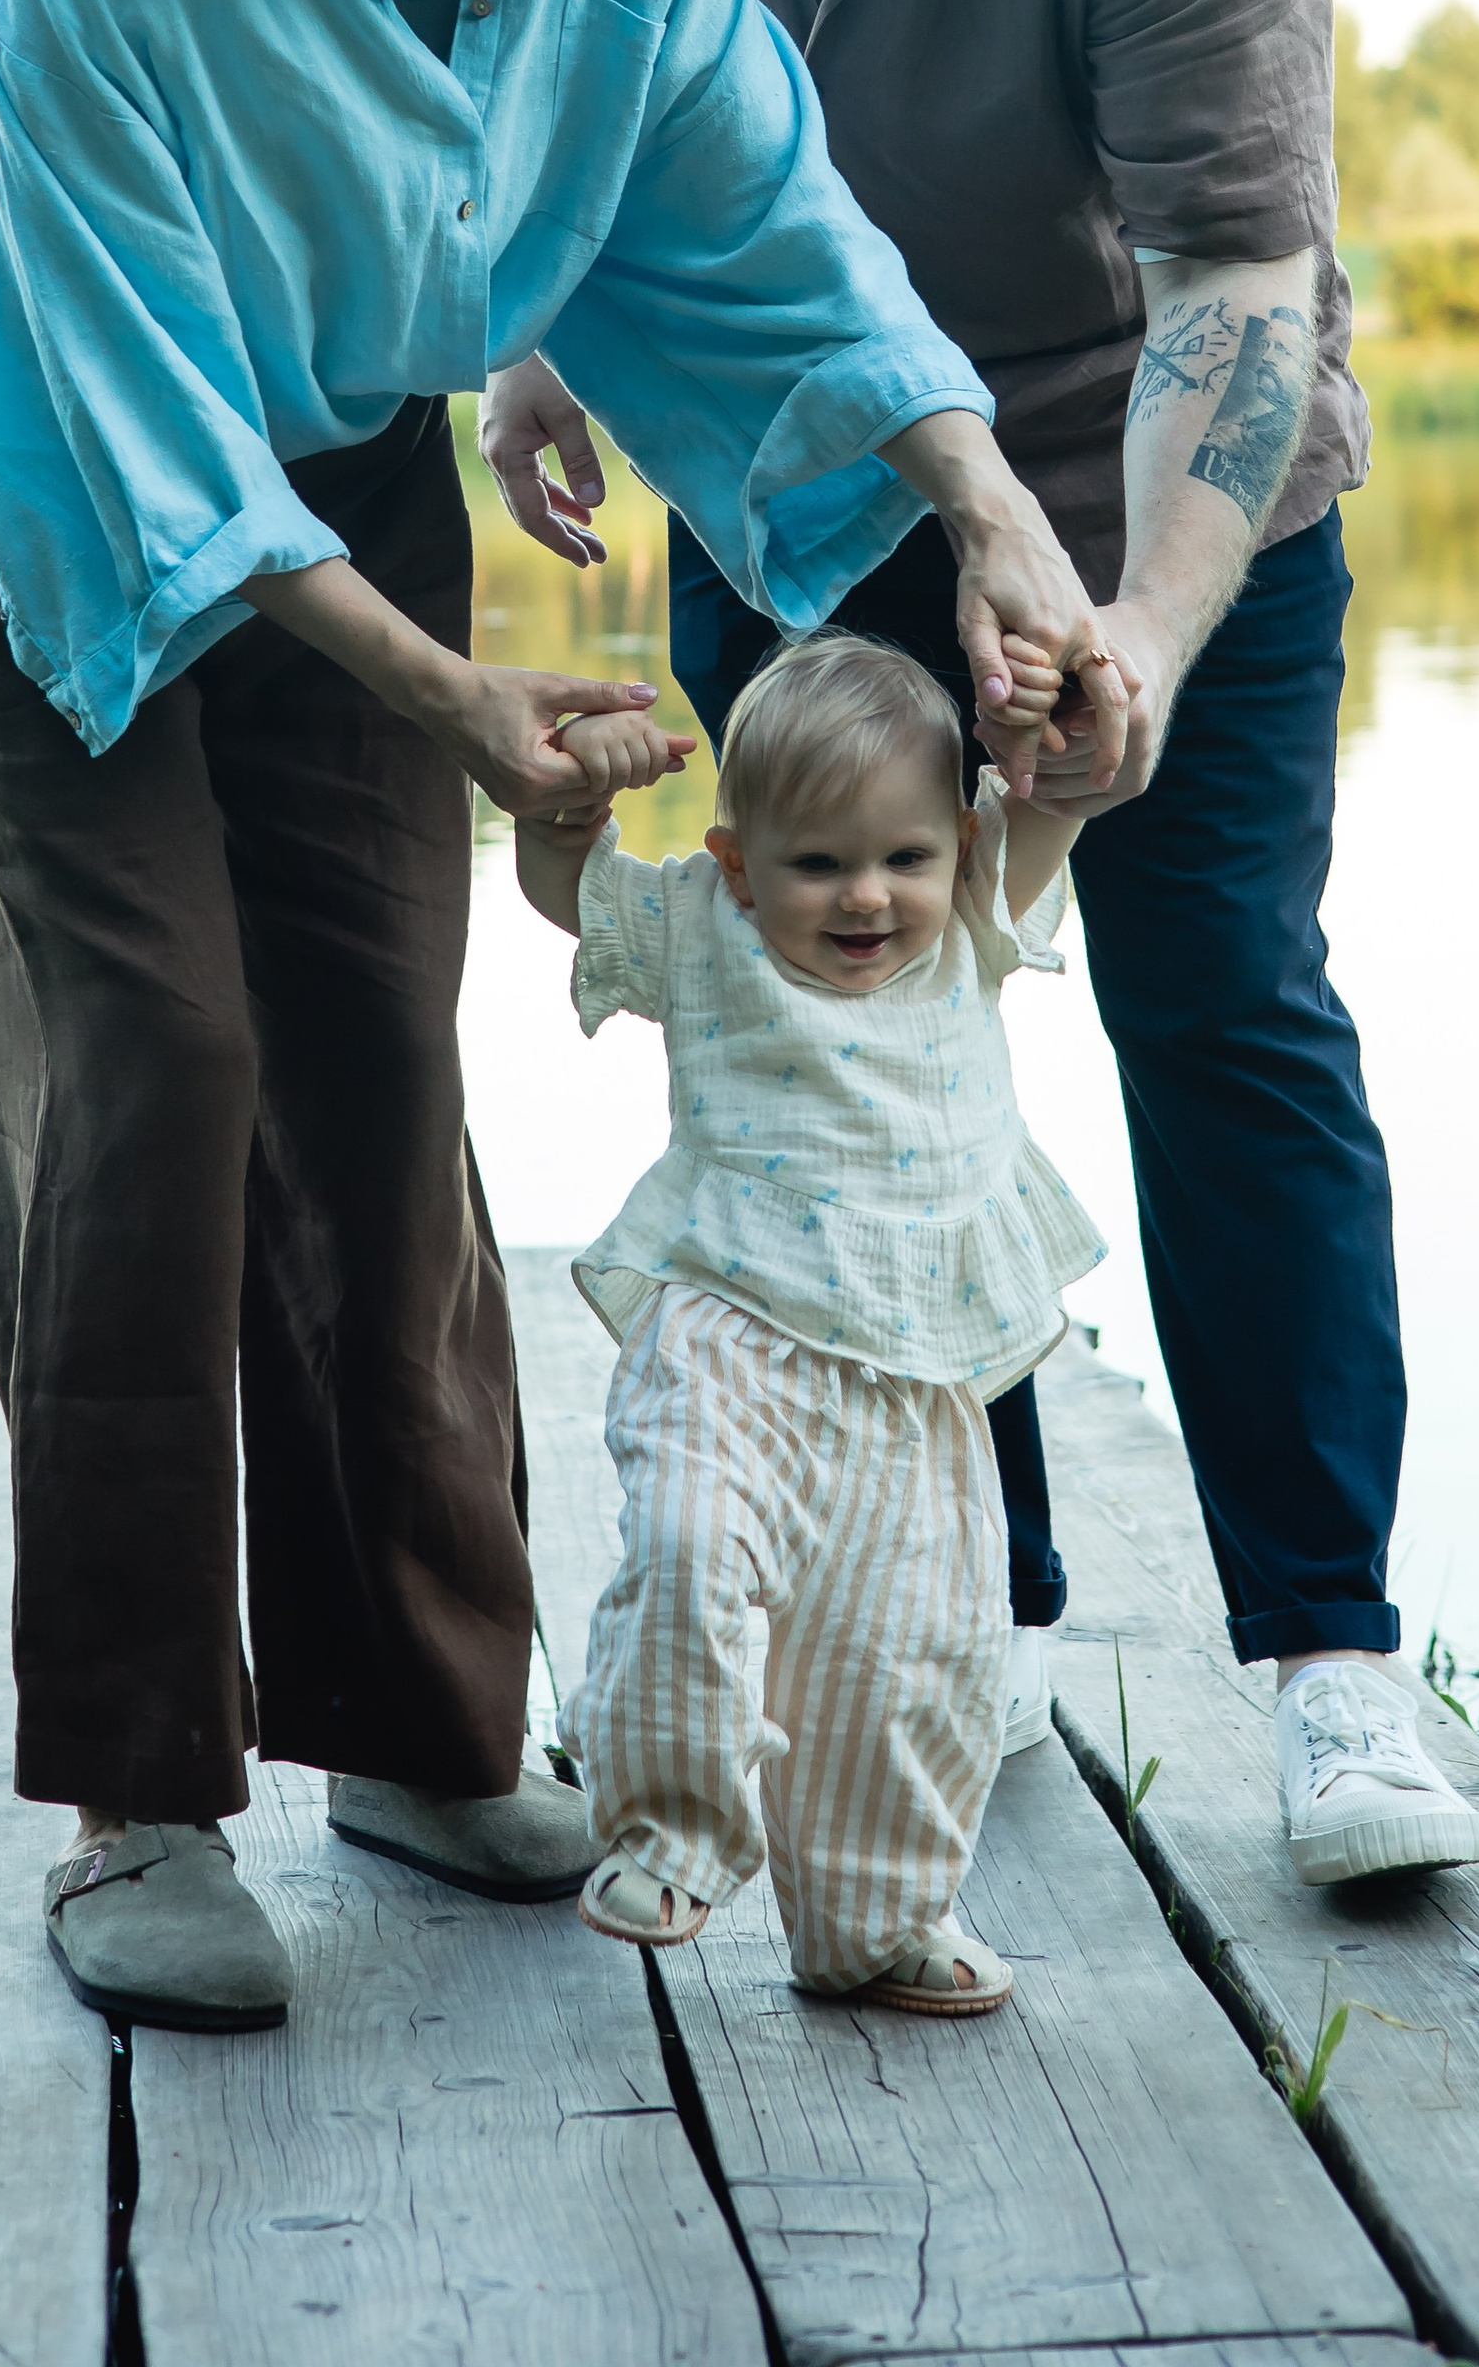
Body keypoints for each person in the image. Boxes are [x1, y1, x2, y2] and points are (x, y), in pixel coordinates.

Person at [0, 0, 1128, 2038]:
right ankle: (135, 1800)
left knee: (371, 1040)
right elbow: (134, 417)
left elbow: (754, 213)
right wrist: (453, 691)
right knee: (159, 1047)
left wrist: (997, 515)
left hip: (336, 448)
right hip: (31, 441)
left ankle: (422, 1732)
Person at [482, 0, 1479, 1891]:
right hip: (802, 479)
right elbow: (551, 44)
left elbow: (1239, 282)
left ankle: (1336, 1668)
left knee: (1219, 999)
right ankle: (971, 1605)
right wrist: (534, 318)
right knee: (848, 1009)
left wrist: (1137, 622)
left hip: (1141, 456)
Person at [512, 631, 1100, 2012]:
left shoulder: (972, 922)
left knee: (909, 1654)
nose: (866, 896)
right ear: (734, 861)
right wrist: (568, 814)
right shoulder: (702, 930)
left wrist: (1065, 725)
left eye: (902, 856)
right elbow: (570, 897)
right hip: (730, 1326)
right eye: (817, 864)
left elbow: (1061, 799)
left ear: (958, 844)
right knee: (688, 1547)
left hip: (915, 1361)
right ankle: (670, 1826)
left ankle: (876, 1921)